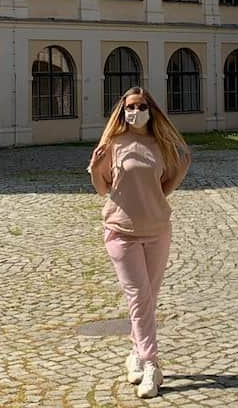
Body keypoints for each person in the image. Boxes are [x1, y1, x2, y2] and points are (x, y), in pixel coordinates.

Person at [88, 86, 191, 399]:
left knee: (147, 297)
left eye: (140, 106)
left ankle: (135, 352)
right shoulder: (113, 144)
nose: (134, 112)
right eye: (129, 107)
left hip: (158, 230)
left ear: (151, 110)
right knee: (138, 295)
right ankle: (150, 363)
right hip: (121, 231)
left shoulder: (161, 144)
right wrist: (94, 168)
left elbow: (167, 183)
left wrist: (180, 169)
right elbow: (103, 188)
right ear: (122, 111)